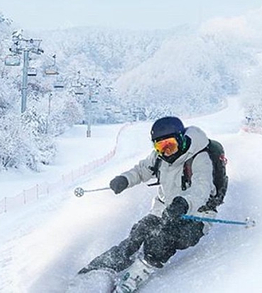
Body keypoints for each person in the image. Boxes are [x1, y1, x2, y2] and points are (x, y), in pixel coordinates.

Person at [78, 116, 228, 293]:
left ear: (181, 139)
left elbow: (201, 188)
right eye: (160, 146)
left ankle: (135, 275)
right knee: (139, 233)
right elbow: (141, 170)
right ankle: (100, 268)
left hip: (195, 215)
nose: (166, 151)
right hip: (164, 209)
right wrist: (125, 179)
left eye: (170, 144)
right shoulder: (159, 157)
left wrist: (183, 203)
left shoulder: (200, 157)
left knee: (162, 240)